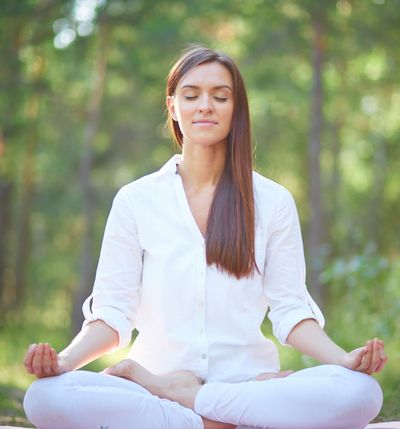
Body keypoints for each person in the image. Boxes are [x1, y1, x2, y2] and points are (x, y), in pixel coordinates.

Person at [23, 45, 387, 429]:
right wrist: (63, 362)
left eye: (220, 96)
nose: (205, 106)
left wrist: (343, 360)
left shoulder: (272, 201)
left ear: (237, 108)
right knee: (46, 398)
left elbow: (291, 310)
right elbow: (112, 314)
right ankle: (224, 420)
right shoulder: (136, 200)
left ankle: (189, 402)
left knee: (360, 393)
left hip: (246, 385)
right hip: (150, 384)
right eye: (191, 95)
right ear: (173, 107)